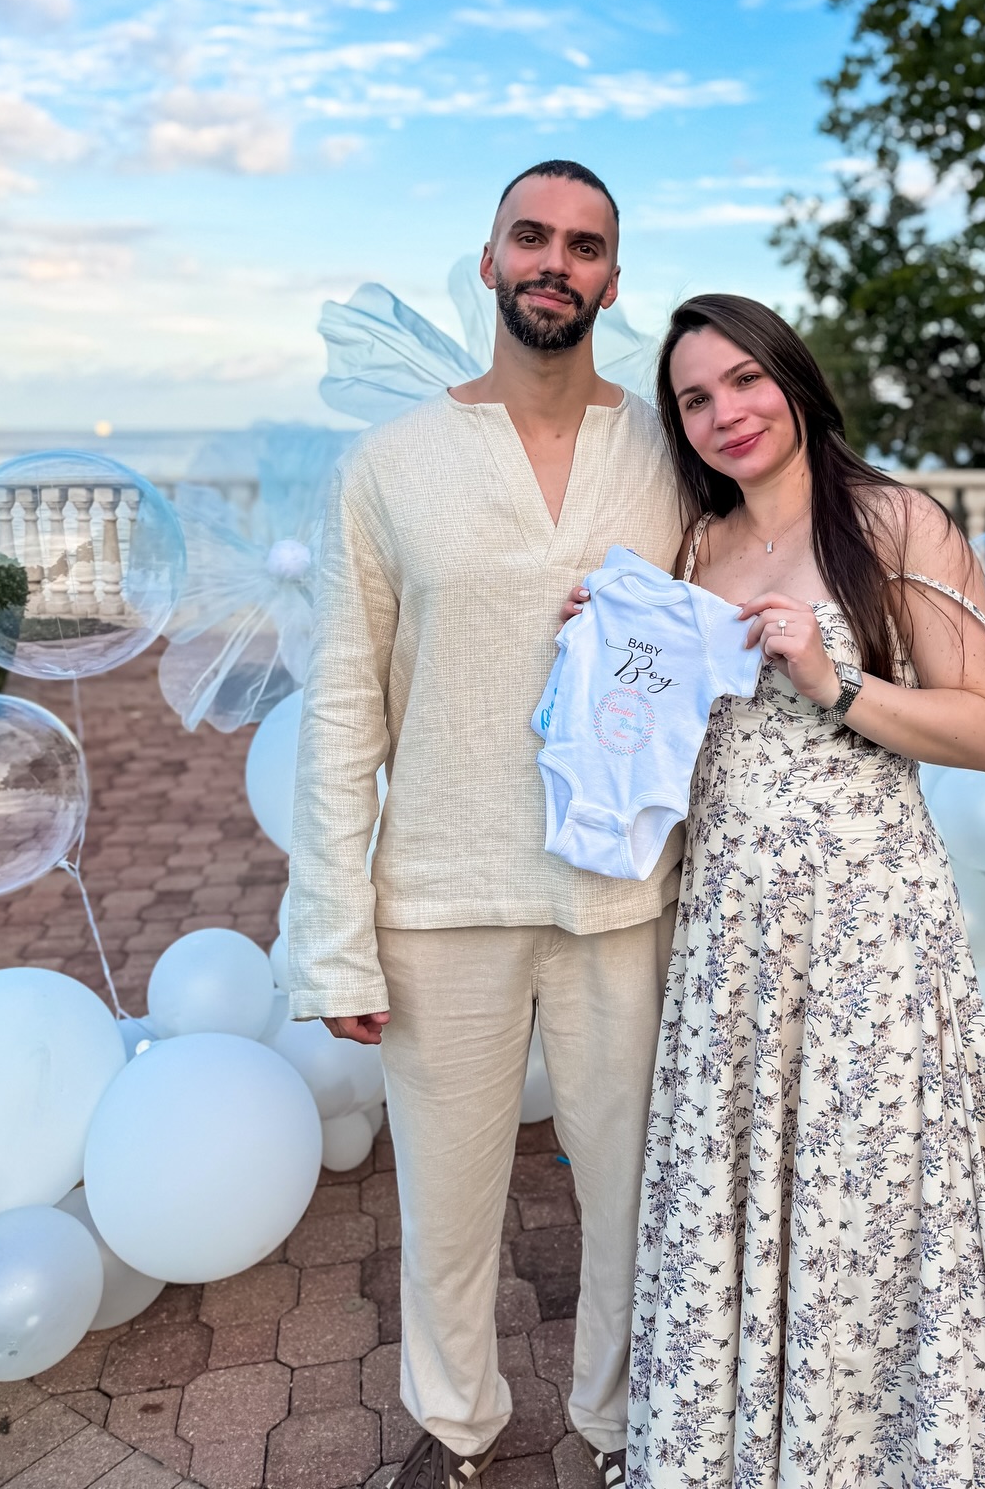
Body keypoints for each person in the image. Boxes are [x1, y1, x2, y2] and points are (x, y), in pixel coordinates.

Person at [619, 293, 985, 1489]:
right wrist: (613, 645)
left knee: (865, 1204)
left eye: (744, 381)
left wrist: (835, 682)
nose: (726, 414)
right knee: (741, 1197)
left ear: (794, 379)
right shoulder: (694, 550)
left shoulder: (894, 522)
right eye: (695, 399)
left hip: (867, 930)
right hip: (729, 932)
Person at [287, 160, 684, 1489]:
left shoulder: (670, 459)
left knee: (629, 1200)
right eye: (533, 237)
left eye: (584, 245)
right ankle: (457, 1431)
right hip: (443, 897)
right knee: (447, 1207)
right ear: (490, 259)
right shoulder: (389, 466)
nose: (555, 262)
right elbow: (345, 710)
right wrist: (336, 939)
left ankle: (623, 1428)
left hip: (623, 898)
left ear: (614, 281)